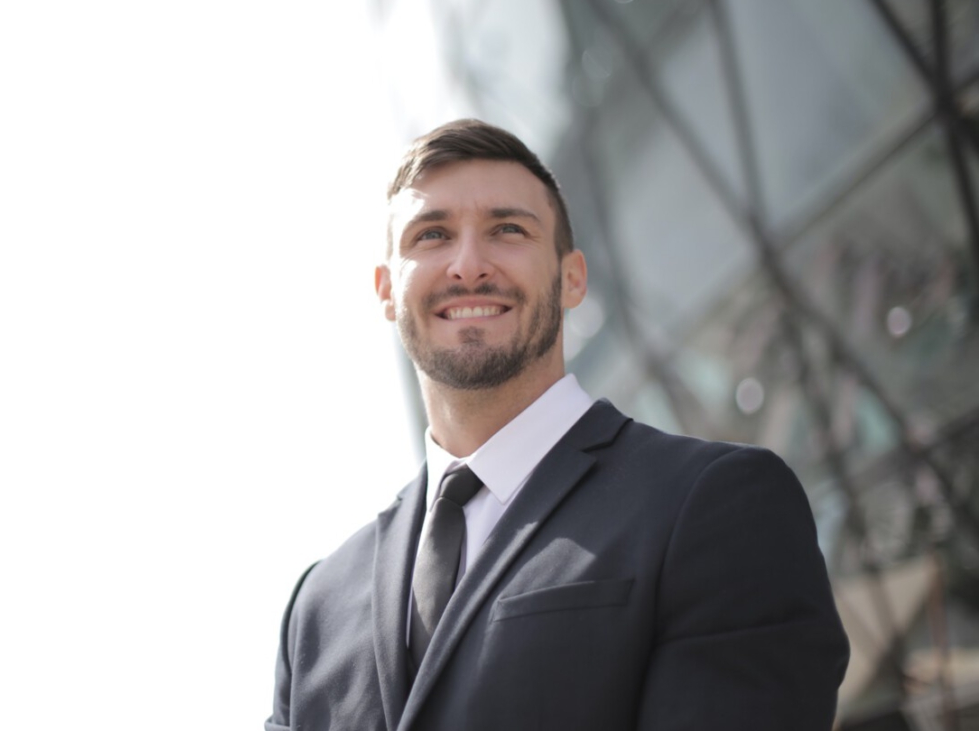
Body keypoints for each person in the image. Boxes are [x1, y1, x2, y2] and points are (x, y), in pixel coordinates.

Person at [266, 119, 849, 731]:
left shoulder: (716, 505)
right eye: (431, 234)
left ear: (572, 279)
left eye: (507, 230)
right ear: (387, 289)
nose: (467, 265)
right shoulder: (317, 608)